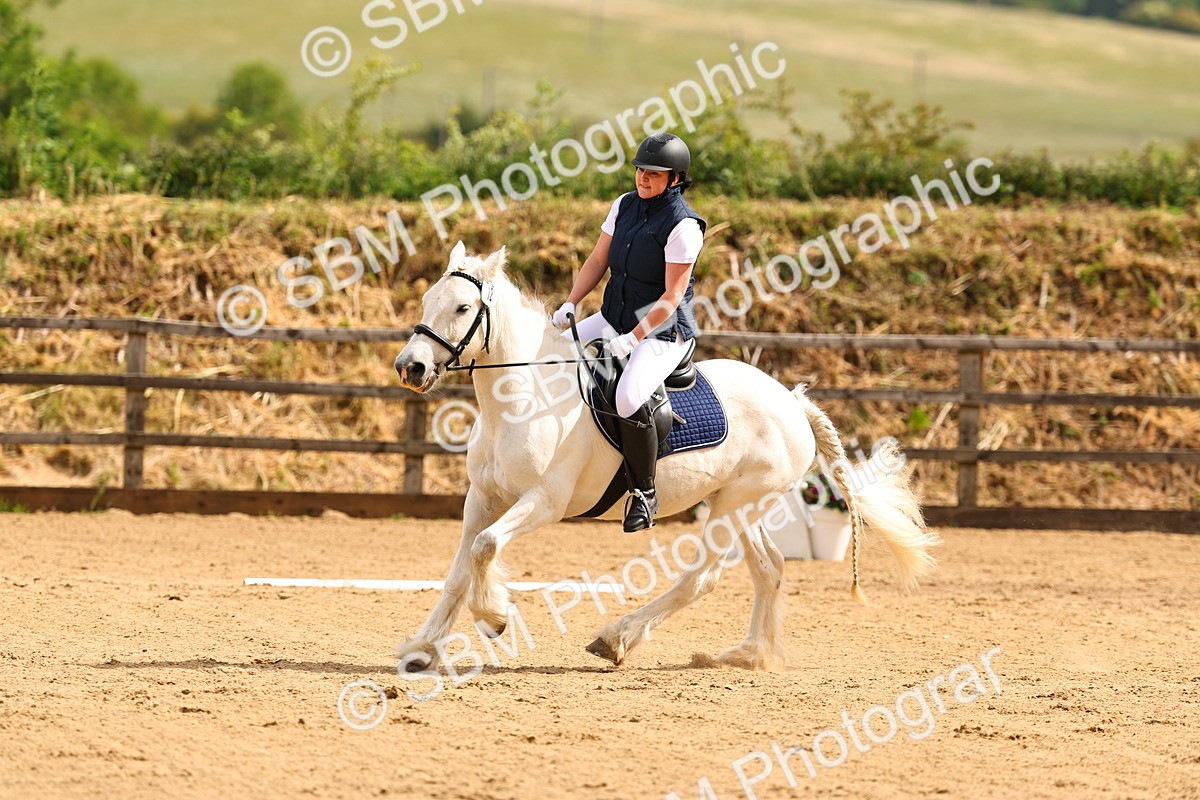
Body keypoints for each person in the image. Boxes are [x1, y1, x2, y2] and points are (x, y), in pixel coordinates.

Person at [551, 132, 707, 532]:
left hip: (663, 332)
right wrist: (571, 301)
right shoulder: (623, 205)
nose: (643, 178)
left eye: (654, 174)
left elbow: (672, 296)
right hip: (613, 317)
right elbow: (598, 259)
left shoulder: (684, 226)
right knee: (553, 351)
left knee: (627, 396)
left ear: (675, 179)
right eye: (640, 170)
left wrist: (635, 336)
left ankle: (644, 492)